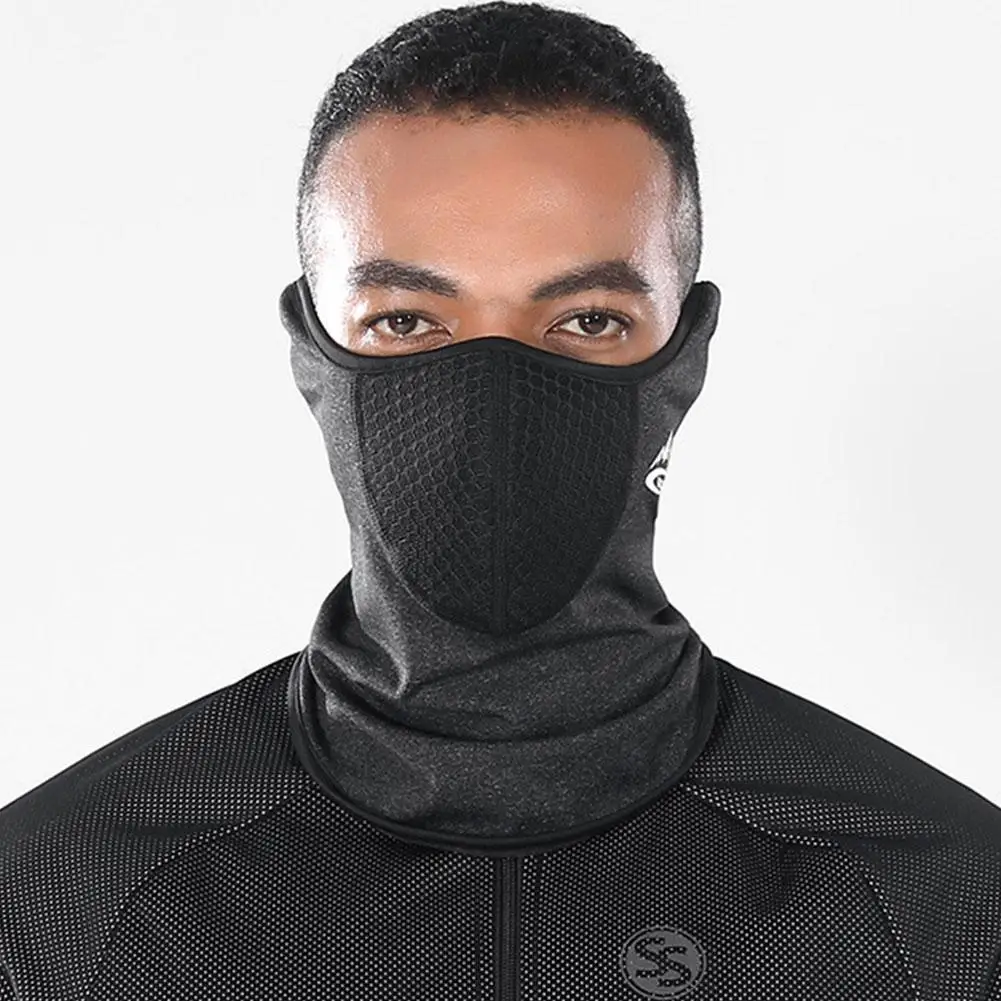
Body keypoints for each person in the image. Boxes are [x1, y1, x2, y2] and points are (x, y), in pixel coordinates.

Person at [1, 3, 999, 999]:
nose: (492, 396)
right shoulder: (58, 912)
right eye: (405, 320)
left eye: (587, 319)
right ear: (312, 354)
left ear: (685, 355)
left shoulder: (945, 914)